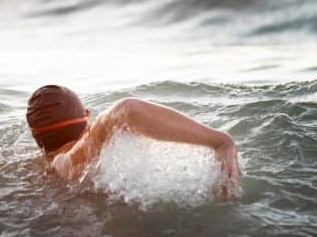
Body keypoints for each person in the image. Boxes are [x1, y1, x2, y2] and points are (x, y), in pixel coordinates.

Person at [26, 85, 240, 199]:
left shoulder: (40, 169)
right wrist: (221, 142)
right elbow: (128, 109)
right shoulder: (66, 162)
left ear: (36, 135)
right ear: (87, 117)